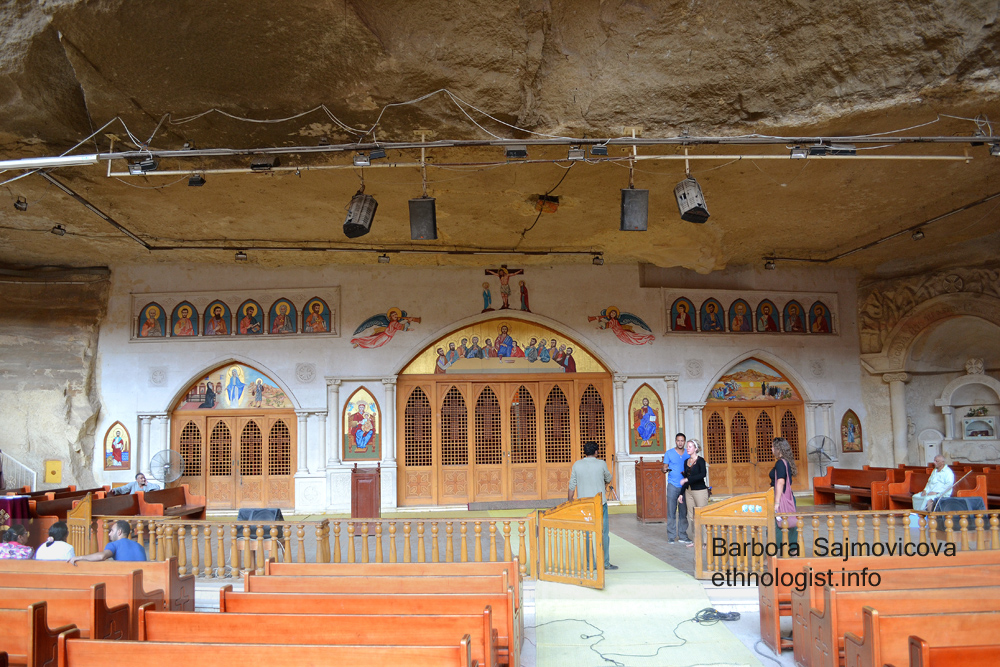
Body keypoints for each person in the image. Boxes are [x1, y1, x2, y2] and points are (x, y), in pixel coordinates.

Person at [568, 441, 616, 570]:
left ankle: (590, 564)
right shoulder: (601, 464)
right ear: (596, 452)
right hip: (600, 504)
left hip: (585, 505)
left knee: (587, 534)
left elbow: (572, 485)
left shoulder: (577, 465)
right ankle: (605, 562)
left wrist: (570, 502)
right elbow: (608, 477)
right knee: (603, 533)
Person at [677, 439, 709, 545]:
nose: (688, 448)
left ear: (696, 448)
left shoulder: (700, 460)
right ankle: (696, 541)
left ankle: (705, 541)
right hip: (689, 491)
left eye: (690, 446)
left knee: (702, 515)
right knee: (692, 516)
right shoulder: (687, 462)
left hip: (700, 490)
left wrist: (688, 480)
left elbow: (702, 474)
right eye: (687, 446)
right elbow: (686, 478)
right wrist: (681, 493)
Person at [70, 520, 146, 563]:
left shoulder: (114, 544)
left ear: (119, 532)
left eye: (112, 531)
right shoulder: (140, 546)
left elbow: (101, 556)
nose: (109, 534)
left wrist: (79, 557)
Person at [770, 437, 798, 549]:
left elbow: (780, 482)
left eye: (772, 447)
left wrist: (776, 502)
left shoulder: (780, 463)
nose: (771, 449)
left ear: (778, 448)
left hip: (780, 498)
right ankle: (793, 552)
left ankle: (771, 554)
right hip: (788, 496)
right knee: (791, 525)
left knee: (774, 526)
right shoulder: (787, 462)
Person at [662, 433, 691, 543]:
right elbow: (664, 466)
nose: (680, 442)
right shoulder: (669, 453)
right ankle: (671, 536)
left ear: (685, 442)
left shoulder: (688, 454)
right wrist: (664, 468)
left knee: (683, 512)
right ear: (675, 441)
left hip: (684, 487)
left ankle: (683, 536)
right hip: (672, 486)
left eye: (682, 441)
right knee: (671, 511)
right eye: (678, 440)